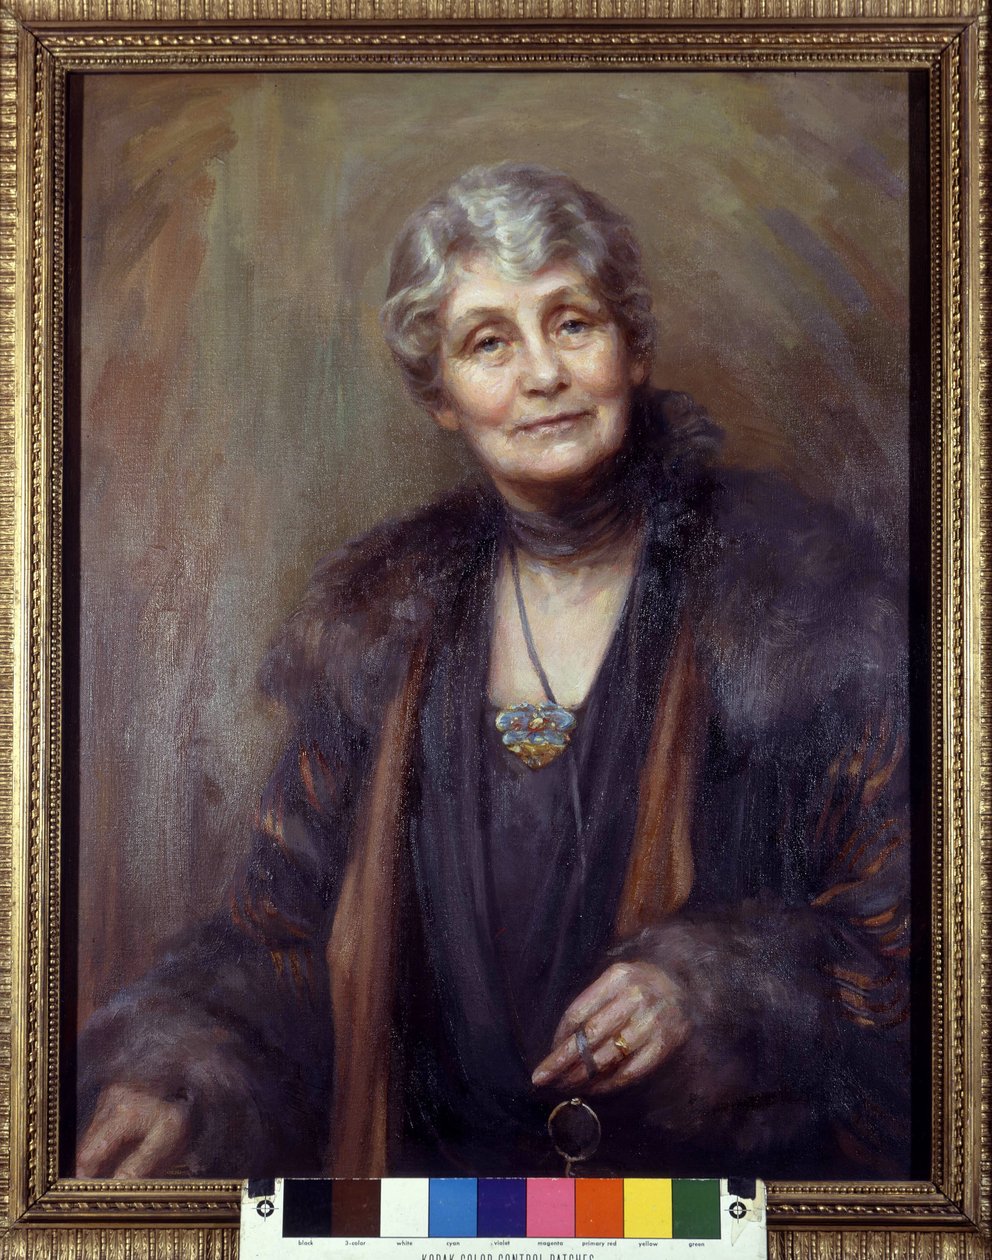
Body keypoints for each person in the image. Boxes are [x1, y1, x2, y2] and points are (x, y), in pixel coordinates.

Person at [76, 163, 911, 1182]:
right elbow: (282, 937)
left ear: (633, 347)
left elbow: (906, 944)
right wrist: (175, 1074)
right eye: (488, 342)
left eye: (572, 323)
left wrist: (716, 987)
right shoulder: (382, 624)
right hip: (440, 1203)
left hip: (700, 1208)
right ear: (440, 396)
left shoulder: (803, 598)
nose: (542, 373)